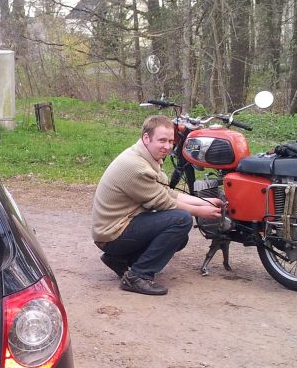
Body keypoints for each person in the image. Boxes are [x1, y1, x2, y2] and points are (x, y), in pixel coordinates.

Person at [91, 114, 222, 295]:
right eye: (162, 140)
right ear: (146, 138)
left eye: (171, 141)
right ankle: (138, 276)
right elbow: (164, 202)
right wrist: (202, 211)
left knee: (179, 237)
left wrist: (205, 201)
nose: (167, 146)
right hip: (112, 234)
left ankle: (119, 259)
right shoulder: (136, 166)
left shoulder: (145, 156)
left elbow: (166, 192)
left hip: (119, 227)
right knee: (181, 220)